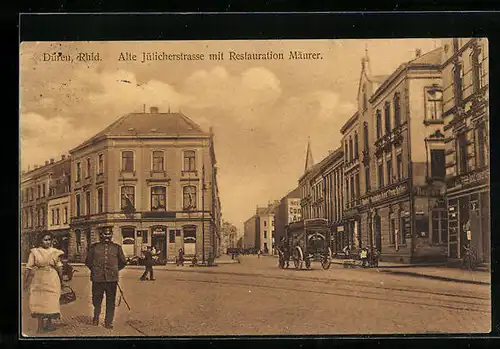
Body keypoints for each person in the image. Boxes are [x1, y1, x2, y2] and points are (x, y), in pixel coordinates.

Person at [23, 232, 65, 333]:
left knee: (51, 300)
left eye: (49, 240)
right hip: (39, 278)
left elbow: (59, 266)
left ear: (51, 241)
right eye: (45, 240)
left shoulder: (55, 252)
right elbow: (28, 267)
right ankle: (40, 325)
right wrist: (25, 281)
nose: (47, 242)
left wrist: (61, 280)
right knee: (39, 301)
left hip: (52, 278)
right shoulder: (34, 252)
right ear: (40, 240)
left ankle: (49, 324)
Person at [85, 228, 126, 329]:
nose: (107, 236)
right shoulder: (94, 247)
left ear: (111, 235)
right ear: (100, 235)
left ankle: (108, 321)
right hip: (97, 279)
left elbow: (123, 262)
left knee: (110, 301)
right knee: (96, 299)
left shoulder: (117, 247)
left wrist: (114, 270)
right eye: (104, 234)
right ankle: (96, 317)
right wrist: (95, 270)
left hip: (111, 279)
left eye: (109, 234)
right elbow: (88, 261)